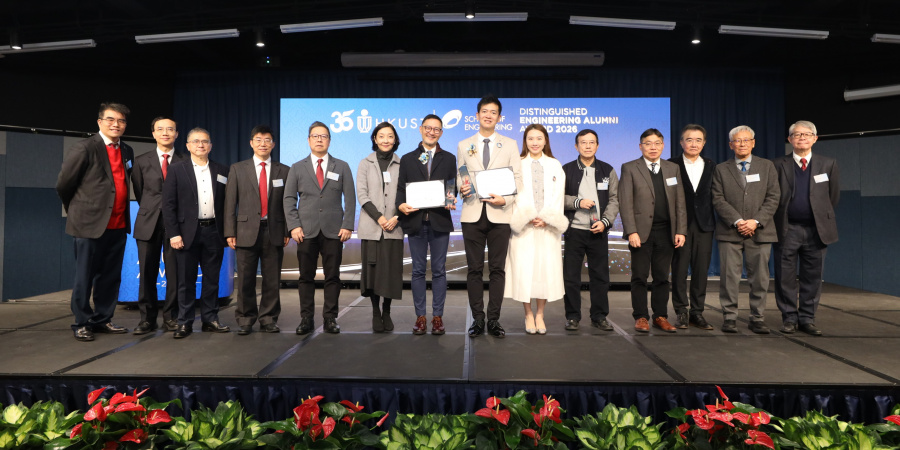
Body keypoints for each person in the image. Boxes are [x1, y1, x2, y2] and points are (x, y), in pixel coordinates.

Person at [56, 102, 135, 341]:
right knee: (85, 276)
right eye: (111, 120)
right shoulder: (84, 148)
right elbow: (64, 185)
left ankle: (103, 319)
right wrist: (79, 211)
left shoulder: (127, 150)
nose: (116, 124)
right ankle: (82, 322)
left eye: (121, 121)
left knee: (110, 276)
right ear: (100, 122)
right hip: (88, 225)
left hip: (119, 224)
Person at [457, 95, 523, 338]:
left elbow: (518, 179)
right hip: (472, 213)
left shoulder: (510, 144)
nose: (488, 115)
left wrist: (506, 199)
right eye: (484, 111)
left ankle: (494, 319)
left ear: (499, 117)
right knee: (474, 270)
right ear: (477, 115)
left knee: (497, 270)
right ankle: (477, 319)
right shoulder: (464, 144)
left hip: (500, 214)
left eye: (493, 112)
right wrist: (462, 187)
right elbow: (460, 174)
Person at [284, 121, 356, 335]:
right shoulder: (297, 167)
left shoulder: (341, 166)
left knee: (332, 276)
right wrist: (293, 226)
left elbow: (350, 198)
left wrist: (348, 225)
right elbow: (288, 199)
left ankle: (330, 318)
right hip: (305, 231)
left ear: (329, 140)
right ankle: (306, 318)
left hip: (334, 230)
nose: (319, 139)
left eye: (323, 136)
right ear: (308, 140)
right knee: (306, 276)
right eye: (315, 136)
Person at [162, 128, 231, 339]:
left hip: (214, 232)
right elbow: (168, 204)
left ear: (210, 146)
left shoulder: (222, 170)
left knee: (212, 280)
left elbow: (228, 205)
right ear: (188, 146)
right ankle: (185, 322)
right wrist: (174, 234)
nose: (201, 145)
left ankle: (210, 319)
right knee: (185, 280)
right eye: (196, 141)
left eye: (205, 141)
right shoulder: (176, 169)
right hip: (185, 234)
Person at [711, 125, 780, 334]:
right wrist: (739, 221)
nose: (742, 144)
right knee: (729, 278)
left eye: (746, 140)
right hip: (730, 231)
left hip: (760, 231)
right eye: (737, 141)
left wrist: (755, 221)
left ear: (753, 143)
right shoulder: (721, 169)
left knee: (759, 278)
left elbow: (774, 197)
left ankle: (757, 317)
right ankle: (729, 317)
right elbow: (718, 198)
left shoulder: (767, 166)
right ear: (731, 145)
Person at [773, 121, 840, 336]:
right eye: (797, 134)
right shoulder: (778, 165)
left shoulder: (828, 164)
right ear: (790, 139)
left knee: (813, 276)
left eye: (807, 134)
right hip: (787, 228)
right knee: (785, 276)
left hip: (816, 230)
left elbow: (833, 197)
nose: (802, 137)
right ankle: (789, 318)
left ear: (815, 138)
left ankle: (807, 319)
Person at [224, 125, 290, 336]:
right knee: (245, 279)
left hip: (274, 230)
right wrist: (229, 231)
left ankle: (269, 318)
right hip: (244, 230)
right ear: (251, 143)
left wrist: (287, 230)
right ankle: (245, 318)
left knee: (272, 278)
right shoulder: (237, 168)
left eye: (267, 140)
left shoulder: (284, 170)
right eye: (259, 140)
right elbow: (229, 203)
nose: (263, 143)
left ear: (273, 144)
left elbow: (289, 203)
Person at [619, 128, 686, 333]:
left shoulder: (672, 168)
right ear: (641, 146)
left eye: (657, 143)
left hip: (666, 232)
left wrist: (681, 230)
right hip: (640, 233)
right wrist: (631, 231)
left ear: (663, 145)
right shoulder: (630, 168)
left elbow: (679, 202)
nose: (653, 147)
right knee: (639, 276)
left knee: (662, 277)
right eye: (648, 143)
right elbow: (625, 202)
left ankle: (660, 316)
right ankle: (640, 316)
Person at [397, 114, 458, 335]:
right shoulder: (407, 158)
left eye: (437, 129)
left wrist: (450, 199)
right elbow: (401, 189)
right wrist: (400, 205)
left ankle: (438, 318)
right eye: (428, 128)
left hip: (440, 221)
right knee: (418, 271)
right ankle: (421, 317)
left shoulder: (449, 158)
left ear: (441, 133)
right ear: (421, 129)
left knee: (440, 271)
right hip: (415, 221)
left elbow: (452, 185)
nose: (432, 132)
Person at [504, 124, 567, 334]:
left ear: (546, 140)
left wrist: (548, 219)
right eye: (531, 139)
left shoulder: (555, 165)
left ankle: (540, 314)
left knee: (544, 271)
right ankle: (528, 314)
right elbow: (514, 196)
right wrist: (528, 216)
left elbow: (559, 196)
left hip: (547, 228)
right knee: (524, 272)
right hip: (524, 227)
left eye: (539, 138)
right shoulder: (518, 164)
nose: (535, 143)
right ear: (525, 141)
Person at [132, 116, 187, 335]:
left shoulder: (185, 161)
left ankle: (171, 317)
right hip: (148, 223)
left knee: (174, 273)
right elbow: (139, 192)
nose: (165, 133)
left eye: (170, 129)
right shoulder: (141, 160)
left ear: (177, 134)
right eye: (160, 129)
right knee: (147, 272)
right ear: (153, 133)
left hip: (177, 226)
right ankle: (147, 319)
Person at [562, 129, 619, 332]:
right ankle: (572, 317)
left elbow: (614, 199)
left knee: (600, 276)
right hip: (574, 230)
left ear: (597, 145)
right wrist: (577, 202)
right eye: (583, 142)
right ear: (576, 146)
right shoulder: (566, 169)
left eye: (591, 142)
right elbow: (557, 198)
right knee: (571, 277)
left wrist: (605, 221)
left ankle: (599, 316)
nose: (587, 146)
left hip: (598, 230)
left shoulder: (607, 170)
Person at [669, 124, 716, 330]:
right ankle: (681, 311)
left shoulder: (712, 166)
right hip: (680, 225)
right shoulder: (671, 165)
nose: (694, 144)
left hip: (704, 225)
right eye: (689, 140)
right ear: (681, 142)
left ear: (704, 143)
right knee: (679, 270)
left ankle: (697, 312)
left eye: (698, 140)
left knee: (700, 271)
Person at [357, 122, 403, 333]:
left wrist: (395, 217)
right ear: (375, 139)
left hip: (395, 226)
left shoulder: (403, 164)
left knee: (390, 273)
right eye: (381, 136)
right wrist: (379, 218)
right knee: (373, 273)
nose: (386, 140)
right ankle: (375, 312)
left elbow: (406, 196)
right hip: (372, 227)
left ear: (395, 140)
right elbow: (362, 195)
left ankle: (387, 311)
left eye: (390, 136)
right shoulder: (364, 163)